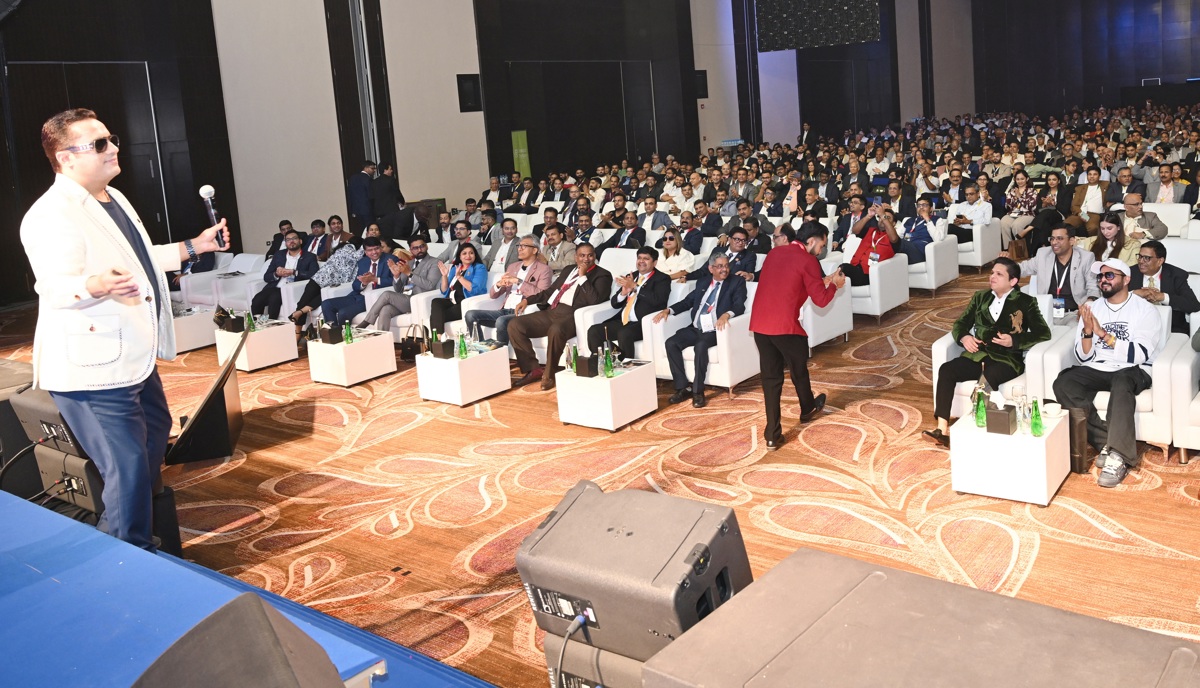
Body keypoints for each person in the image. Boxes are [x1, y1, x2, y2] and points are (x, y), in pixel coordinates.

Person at [20, 108, 229, 551]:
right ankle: (128, 554)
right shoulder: (51, 213)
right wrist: (95, 284)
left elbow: (140, 256)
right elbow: (53, 286)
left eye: (111, 138)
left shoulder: (112, 197)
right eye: (98, 144)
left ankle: (127, 531)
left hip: (130, 355)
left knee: (154, 432)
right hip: (92, 366)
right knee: (128, 464)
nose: (113, 148)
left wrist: (194, 246)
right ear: (65, 157)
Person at [1052, 259, 1161, 487]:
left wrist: (1102, 334)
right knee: (1064, 382)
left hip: (1134, 369)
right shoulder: (1093, 308)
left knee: (1122, 381)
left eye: (1109, 275)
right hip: (1099, 366)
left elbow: (1138, 354)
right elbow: (1083, 358)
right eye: (1100, 276)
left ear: (1126, 279)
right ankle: (1106, 442)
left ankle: (1119, 456)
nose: (1103, 280)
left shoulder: (1145, 310)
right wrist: (1088, 332)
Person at [923, 258, 1051, 448]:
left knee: (987, 378)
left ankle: (972, 429)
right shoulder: (980, 297)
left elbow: (1043, 333)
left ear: (1013, 281)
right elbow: (960, 324)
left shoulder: (1026, 302)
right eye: (992, 273)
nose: (992, 277)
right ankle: (941, 429)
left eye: (999, 274)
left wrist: (1014, 341)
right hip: (978, 354)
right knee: (947, 369)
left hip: (1007, 360)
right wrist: (965, 337)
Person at [750, 222, 844, 450]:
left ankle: (772, 435)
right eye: (821, 245)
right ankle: (807, 407)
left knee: (771, 380)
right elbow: (821, 300)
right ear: (811, 241)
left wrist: (825, 281)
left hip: (760, 324)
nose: (821, 250)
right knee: (798, 366)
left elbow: (791, 283)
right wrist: (835, 286)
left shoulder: (774, 253)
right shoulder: (808, 260)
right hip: (784, 326)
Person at [508, 243, 613, 391]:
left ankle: (549, 374)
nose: (586, 259)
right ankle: (533, 369)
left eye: (590, 255)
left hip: (573, 315)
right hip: (552, 311)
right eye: (582, 255)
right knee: (515, 325)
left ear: (595, 256)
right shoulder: (569, 269)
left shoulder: (602, 275)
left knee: (556, 330)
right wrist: (527, 300)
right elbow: (550, 291)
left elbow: (595, 300)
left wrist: (583, 277)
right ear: (576, 257)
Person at [656, 254, 747, 408]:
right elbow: (688, 301)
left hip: (714, 329)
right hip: (696, 327)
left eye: (726, 265)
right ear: (711, 269)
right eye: (720, 266)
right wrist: (668, 310)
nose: (724, 269)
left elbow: (739, 305)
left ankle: (698, 391)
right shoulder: (703, 282)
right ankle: (682, 388)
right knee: (671, 343)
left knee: (701, 346)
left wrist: (726, 315)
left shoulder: (736, 282)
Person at [463, 238, 552, 345]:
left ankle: (501, 352)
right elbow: (493, 295)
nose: (519, 249)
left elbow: (542, 295)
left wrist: (518, 281)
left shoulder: (544, 269)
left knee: (501, 321)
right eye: (519, 246)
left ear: (534, 250)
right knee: (470, 315)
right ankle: (481, 348)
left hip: (524, 313)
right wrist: (498, 285)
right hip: (505, 310)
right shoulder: (512, 266)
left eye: (524, 246)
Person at [586, 246, 671, 358]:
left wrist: (635, 287)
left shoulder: (662, 279)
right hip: (623, 321)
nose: (641, 261)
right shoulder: (632, 276)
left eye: (646, 258)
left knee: (624, 333)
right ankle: (612, 360)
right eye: (639, 258)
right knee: (594, 331)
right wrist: (623, 293)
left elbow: (658, 301)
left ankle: (627, 365)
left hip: (642, 323)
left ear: (654, 263)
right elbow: (614, 304)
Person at [360, 237, 442, 332]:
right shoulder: (409, 263)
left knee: (387, 294)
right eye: (415, 248)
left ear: (426, 246)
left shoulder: (434, 262)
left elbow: (430, 285)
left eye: (422, 246)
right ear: (410, 250)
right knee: (385, 310)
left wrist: (409, 274)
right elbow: (398, 289)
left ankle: (366, 322)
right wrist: (396, 276)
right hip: (405, 299)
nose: (419, 250)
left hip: (419, 300)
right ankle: (382, 338)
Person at [320, 237, 398, 326]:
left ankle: (343, 334)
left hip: (373, 298)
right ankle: (333, 332)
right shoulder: (363, 262)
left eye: (376, 248)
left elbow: (397, 281)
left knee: (343, 313)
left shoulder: (391, 259)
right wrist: (363, 283)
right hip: (358, 295)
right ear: (365, 252)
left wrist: (375, 279)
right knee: (327, 304)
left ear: (381, 248)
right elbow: (355, 285)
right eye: (370, 250)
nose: (374, 252)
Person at [1128, 240, 1200, 334]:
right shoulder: (1129, 273)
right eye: (1140, 256)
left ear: (1160, 261)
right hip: (1136, 329)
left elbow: (1194, 305)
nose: (1141, 261)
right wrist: (1135, 294)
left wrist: (1162, 297)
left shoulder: (1176, 275)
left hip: (1171, 330)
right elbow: (1112, 299)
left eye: (1146, 258)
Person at [288, 241, 362, 329]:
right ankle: (300, 313)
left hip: (318, 279)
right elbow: (358, 255)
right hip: (328, 282)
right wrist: (363, 246)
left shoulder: (338, 250)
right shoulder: (349, 248)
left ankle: (298, 329)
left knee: (304, 301)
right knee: (317, 299)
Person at [251, 230, 318, 320]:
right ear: (285, 243)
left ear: (300, 241)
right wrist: (276, 274)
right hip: (275, 287)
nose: (291, 241)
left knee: (274, 298)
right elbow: (266, 277)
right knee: (257, 299)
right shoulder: (279, 255)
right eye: (288, 240)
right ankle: (257, 323)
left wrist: (294, 272)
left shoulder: (309, 256)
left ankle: (272, 324)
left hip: (293, 289)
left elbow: (314, 275)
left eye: (294, 238)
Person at [429, 243, 488, 334]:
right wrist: (444, 276)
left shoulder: (479, 268)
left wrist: (460, 277)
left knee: (435, 317)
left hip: (464, 302)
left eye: (471, 253)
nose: (468, 256)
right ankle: (439, 339)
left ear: (475, 255)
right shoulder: (455, 268)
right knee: (436, 301)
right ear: (459, 256)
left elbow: (475, 289)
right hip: (452, 300)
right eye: (464, 253)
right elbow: (444, 291)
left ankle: (438, 339)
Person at [839, 205, 897, 286]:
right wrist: (868, 216)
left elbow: (894, 239)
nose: (883, 219)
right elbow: (855, 230)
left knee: (843, 268)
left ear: (894, 223)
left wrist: (883, 215)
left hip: (870, 274)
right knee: (841, 273)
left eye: (887, 218)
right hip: (855, 268)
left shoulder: (893, 238)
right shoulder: (870, 231)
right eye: (880, 217)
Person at [885, 198, 945, 265]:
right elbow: (897, 236)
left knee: (898, 243)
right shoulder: (909, 220)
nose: (921, 207)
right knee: (888, 243)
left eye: (924, 205)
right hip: (906, 248)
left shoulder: (937, 220)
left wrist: (927, 219)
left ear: (931, 208)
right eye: (918, 205)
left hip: (920, 251)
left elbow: (938, 239)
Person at [999, 170, 1038, 250]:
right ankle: (1008, 249)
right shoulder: (1012, 190)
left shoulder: (1032, 191)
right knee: (1003, 222)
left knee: (1016, 225)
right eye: (1018, 179)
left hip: (1028, 214)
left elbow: (1031, 207)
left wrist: (1020, 197)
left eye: (1022, 179)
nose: (1020, 181)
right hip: (1013, 213)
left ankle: (1019, 250)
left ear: (1027, 179)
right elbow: (1008, 206)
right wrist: (1014, 198)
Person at [347, 160, 376, 233]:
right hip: (368, 210)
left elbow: (350, 194)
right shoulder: (369, 180)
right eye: (372, 168)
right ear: (366, 168)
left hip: (355, 210)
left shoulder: (352, 178)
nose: (374, 171)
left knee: (359, 231)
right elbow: (371, 195)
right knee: (369, 231)